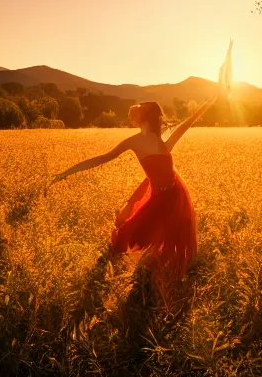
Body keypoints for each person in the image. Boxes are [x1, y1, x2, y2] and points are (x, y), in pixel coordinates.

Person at [51, 90, 220, 278]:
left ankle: (168, 277)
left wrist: (211, 100)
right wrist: (66, 172)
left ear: (143, 118)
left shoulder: (163, 140)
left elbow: (188, 122)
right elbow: (102, 158)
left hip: (175, 194)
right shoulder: (134, 141)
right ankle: (144, 273)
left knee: (173, 238)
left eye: (135, 114)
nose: (132, 118)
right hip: (158, 196)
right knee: (132, 233)